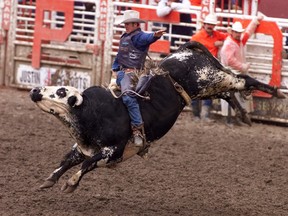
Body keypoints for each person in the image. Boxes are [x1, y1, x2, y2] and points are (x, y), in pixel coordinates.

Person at [110, 10, 165, 147]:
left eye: (128, 24)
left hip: (132, 74)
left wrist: (154, 36)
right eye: (125, 24)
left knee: (128, 96)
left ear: (135, 24)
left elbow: (146, 38)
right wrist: (115, 69)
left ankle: (137, 130)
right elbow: (120, 55)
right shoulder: (125, 37)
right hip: (122, 73)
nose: (125, 26)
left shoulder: (138, 37)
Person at [220, 15, 264, 125]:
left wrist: (255, 21)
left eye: (240, 32)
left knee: (238, 95)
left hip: (237, 72)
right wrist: (242, 66)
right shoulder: (229, 44)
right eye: (237, 32)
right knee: (231, 95)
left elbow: (248, 33)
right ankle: (229, 119)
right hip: (229, 72)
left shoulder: (238, 41)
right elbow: (230, 61)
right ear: (232, 32)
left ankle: (237, 118)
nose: (239, 34)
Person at [190, 13, 228, 122]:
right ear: (204, 24)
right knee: (196, 91)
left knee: (209, 91)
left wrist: (221, 43)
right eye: (208, 24)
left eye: (212, 24)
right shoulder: (197, 37)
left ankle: (204, 115)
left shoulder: (217, 35)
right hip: (198, 66)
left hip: (211, 66)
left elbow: (229, 37)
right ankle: (197, 115)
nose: (210, 26)